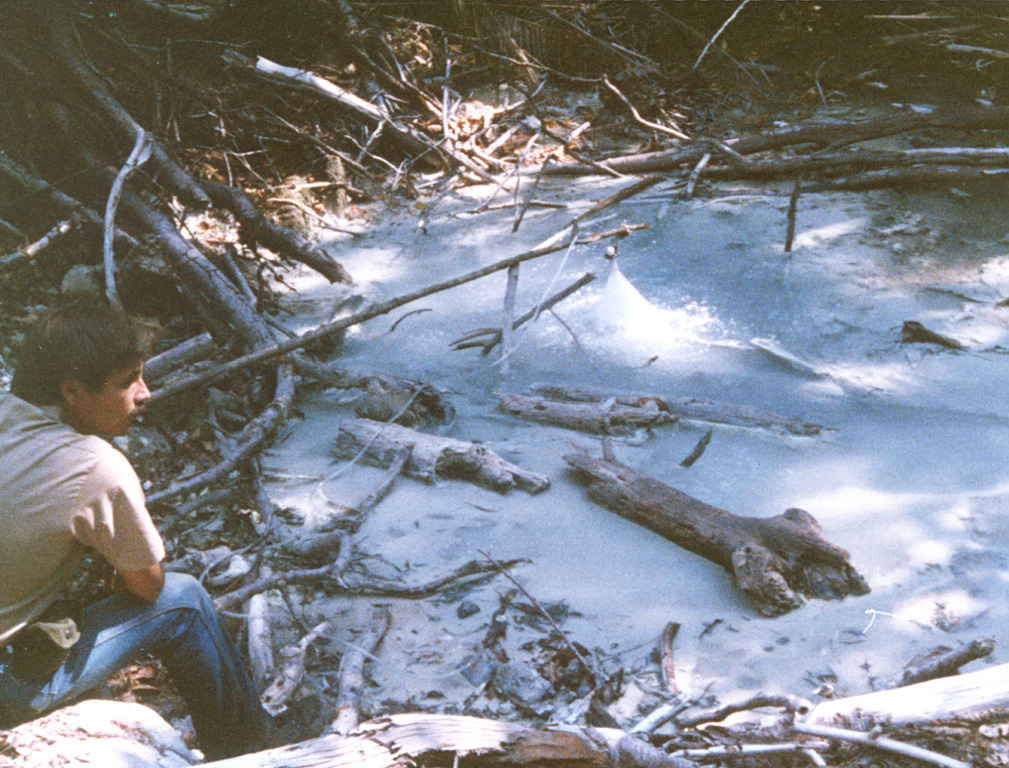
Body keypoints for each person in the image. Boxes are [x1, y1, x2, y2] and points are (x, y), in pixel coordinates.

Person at [0, 300, 270, 759]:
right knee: (184, 600)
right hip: (8, 687)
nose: (144, 393)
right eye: (128, 381)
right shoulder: (95, 466)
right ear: (72, 391)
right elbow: (150, 589)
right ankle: (251, 748)